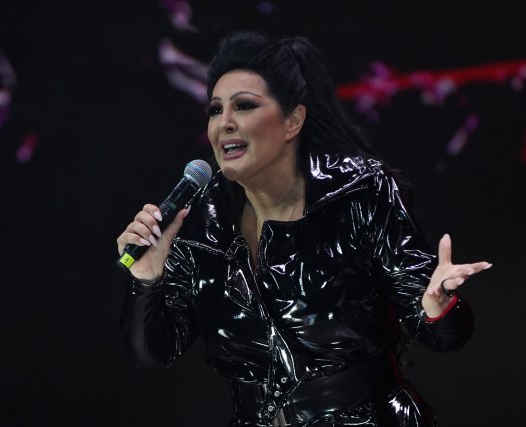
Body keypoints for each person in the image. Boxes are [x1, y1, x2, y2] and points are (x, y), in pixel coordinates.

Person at [117, 30, 491, 426]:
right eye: (214, 110)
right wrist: (146, 279)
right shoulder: (199, 221)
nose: (224, 123)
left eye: (244, 106)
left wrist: (437, 307)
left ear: (293, 120)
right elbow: (153, 353)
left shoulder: (359, 193)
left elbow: (445, 335)